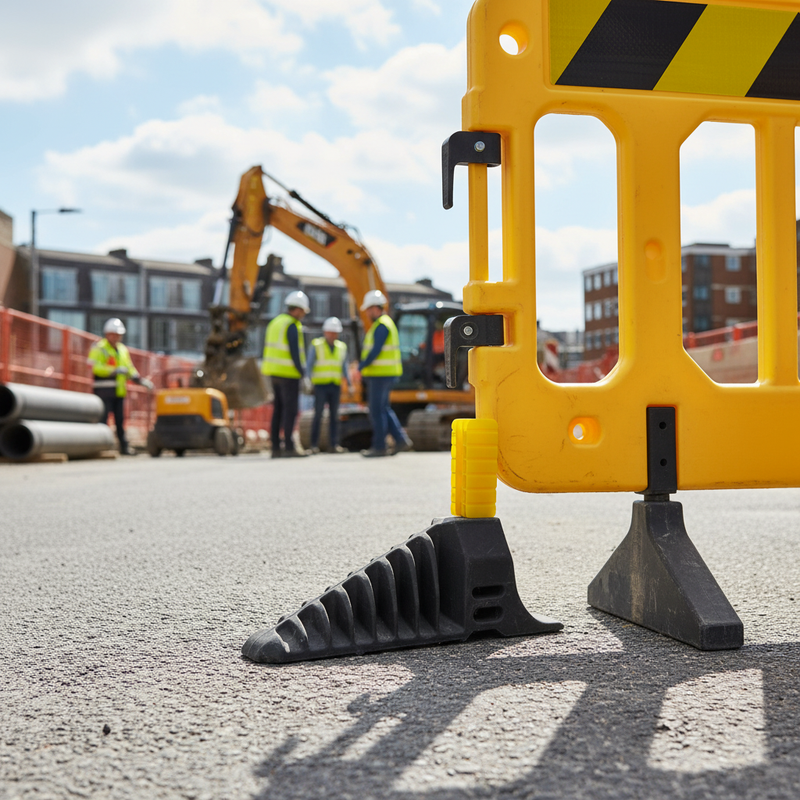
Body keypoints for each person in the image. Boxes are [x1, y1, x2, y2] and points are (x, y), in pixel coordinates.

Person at [357, 290, 413, 458]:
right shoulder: (384, 323)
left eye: (368, 309)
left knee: (376, 411)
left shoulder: (382, 325)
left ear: (375, 308)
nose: (367, 313)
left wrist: (362, 365)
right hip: (385, 374)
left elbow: (375, 351)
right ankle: (401, 440)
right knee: (383, 409)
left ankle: (379, 446)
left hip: (380, 375)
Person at [87, 318, 153, 455]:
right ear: (107, 334)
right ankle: (101, 447)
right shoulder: (99, 347)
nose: (116, 337)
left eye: (118, 334)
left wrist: (140, 380)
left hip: (119, 391)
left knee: (120, 420)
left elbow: (129, 368)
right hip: (103, 391)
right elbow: (94, 367)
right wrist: (113, 371)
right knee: (103, 420)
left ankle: (123, 448)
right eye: (113, 334)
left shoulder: (123, 350)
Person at [262, 290, 310, 458]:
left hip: (273, 373)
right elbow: (295, 353)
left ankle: (275, 447)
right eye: (303, 311)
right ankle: (289, 446)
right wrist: (303, 374)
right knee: (290, 411)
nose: (303, 315)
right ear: (297, 309)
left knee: (278, 410)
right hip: (288, 374)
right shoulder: (292, 325)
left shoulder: (275, 322)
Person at [307, 317, 351, 454]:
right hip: (320, 385)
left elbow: (344, 366)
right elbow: (309, 364)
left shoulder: (341, 347)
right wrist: (308, 381)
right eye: (331, 332)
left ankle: (334, 444)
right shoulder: (317, 345)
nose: (333, 335)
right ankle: (313, 445)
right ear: (325, 332)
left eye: (335, 333)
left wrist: (349, 384)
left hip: (334, 385)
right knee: (318, 415)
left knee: (334, 416)